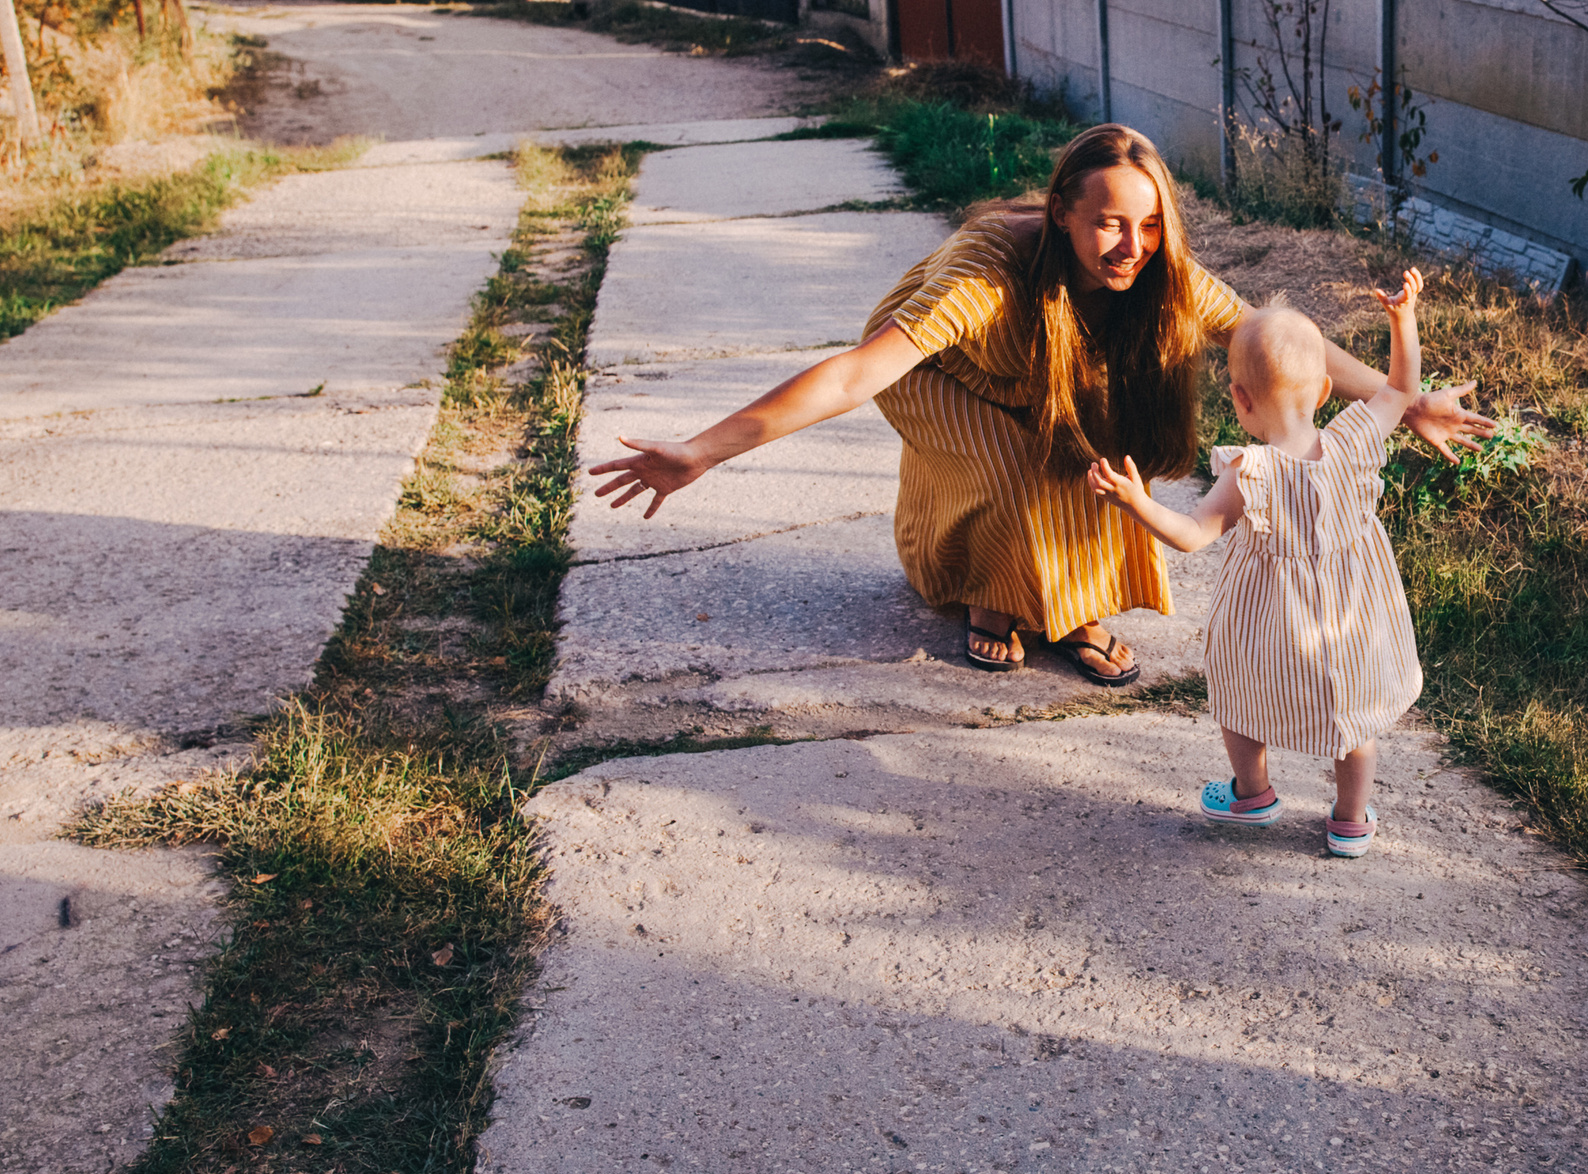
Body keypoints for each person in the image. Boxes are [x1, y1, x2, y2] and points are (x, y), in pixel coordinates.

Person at [587, 125, 1491, 686]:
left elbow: (1270, 331)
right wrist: (705, 449)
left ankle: (1065, 607)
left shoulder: (1156, 271)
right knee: (1016, 463)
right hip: (934, 374)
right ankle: (990, 591)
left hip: (1030, 373)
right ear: (1062, 210)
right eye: (1108, 222)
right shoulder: (986, 276)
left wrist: (1403, 404)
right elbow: (853, 373)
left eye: (1147, 224)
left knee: (1087, 456)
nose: (1131, 244)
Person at [1085, 270, 1428, 858]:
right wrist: (1402, 319)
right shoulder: (1353, 440)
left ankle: (1252, 793)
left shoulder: (1250, 473)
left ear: (1240, 400)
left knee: (1242, 696)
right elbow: (1401, 390)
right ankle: (1348, 822)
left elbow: (1192, 536)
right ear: (1324, 392)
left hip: (1269, 628)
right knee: (1354, 719)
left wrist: (1136, 502)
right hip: (1353, 621)